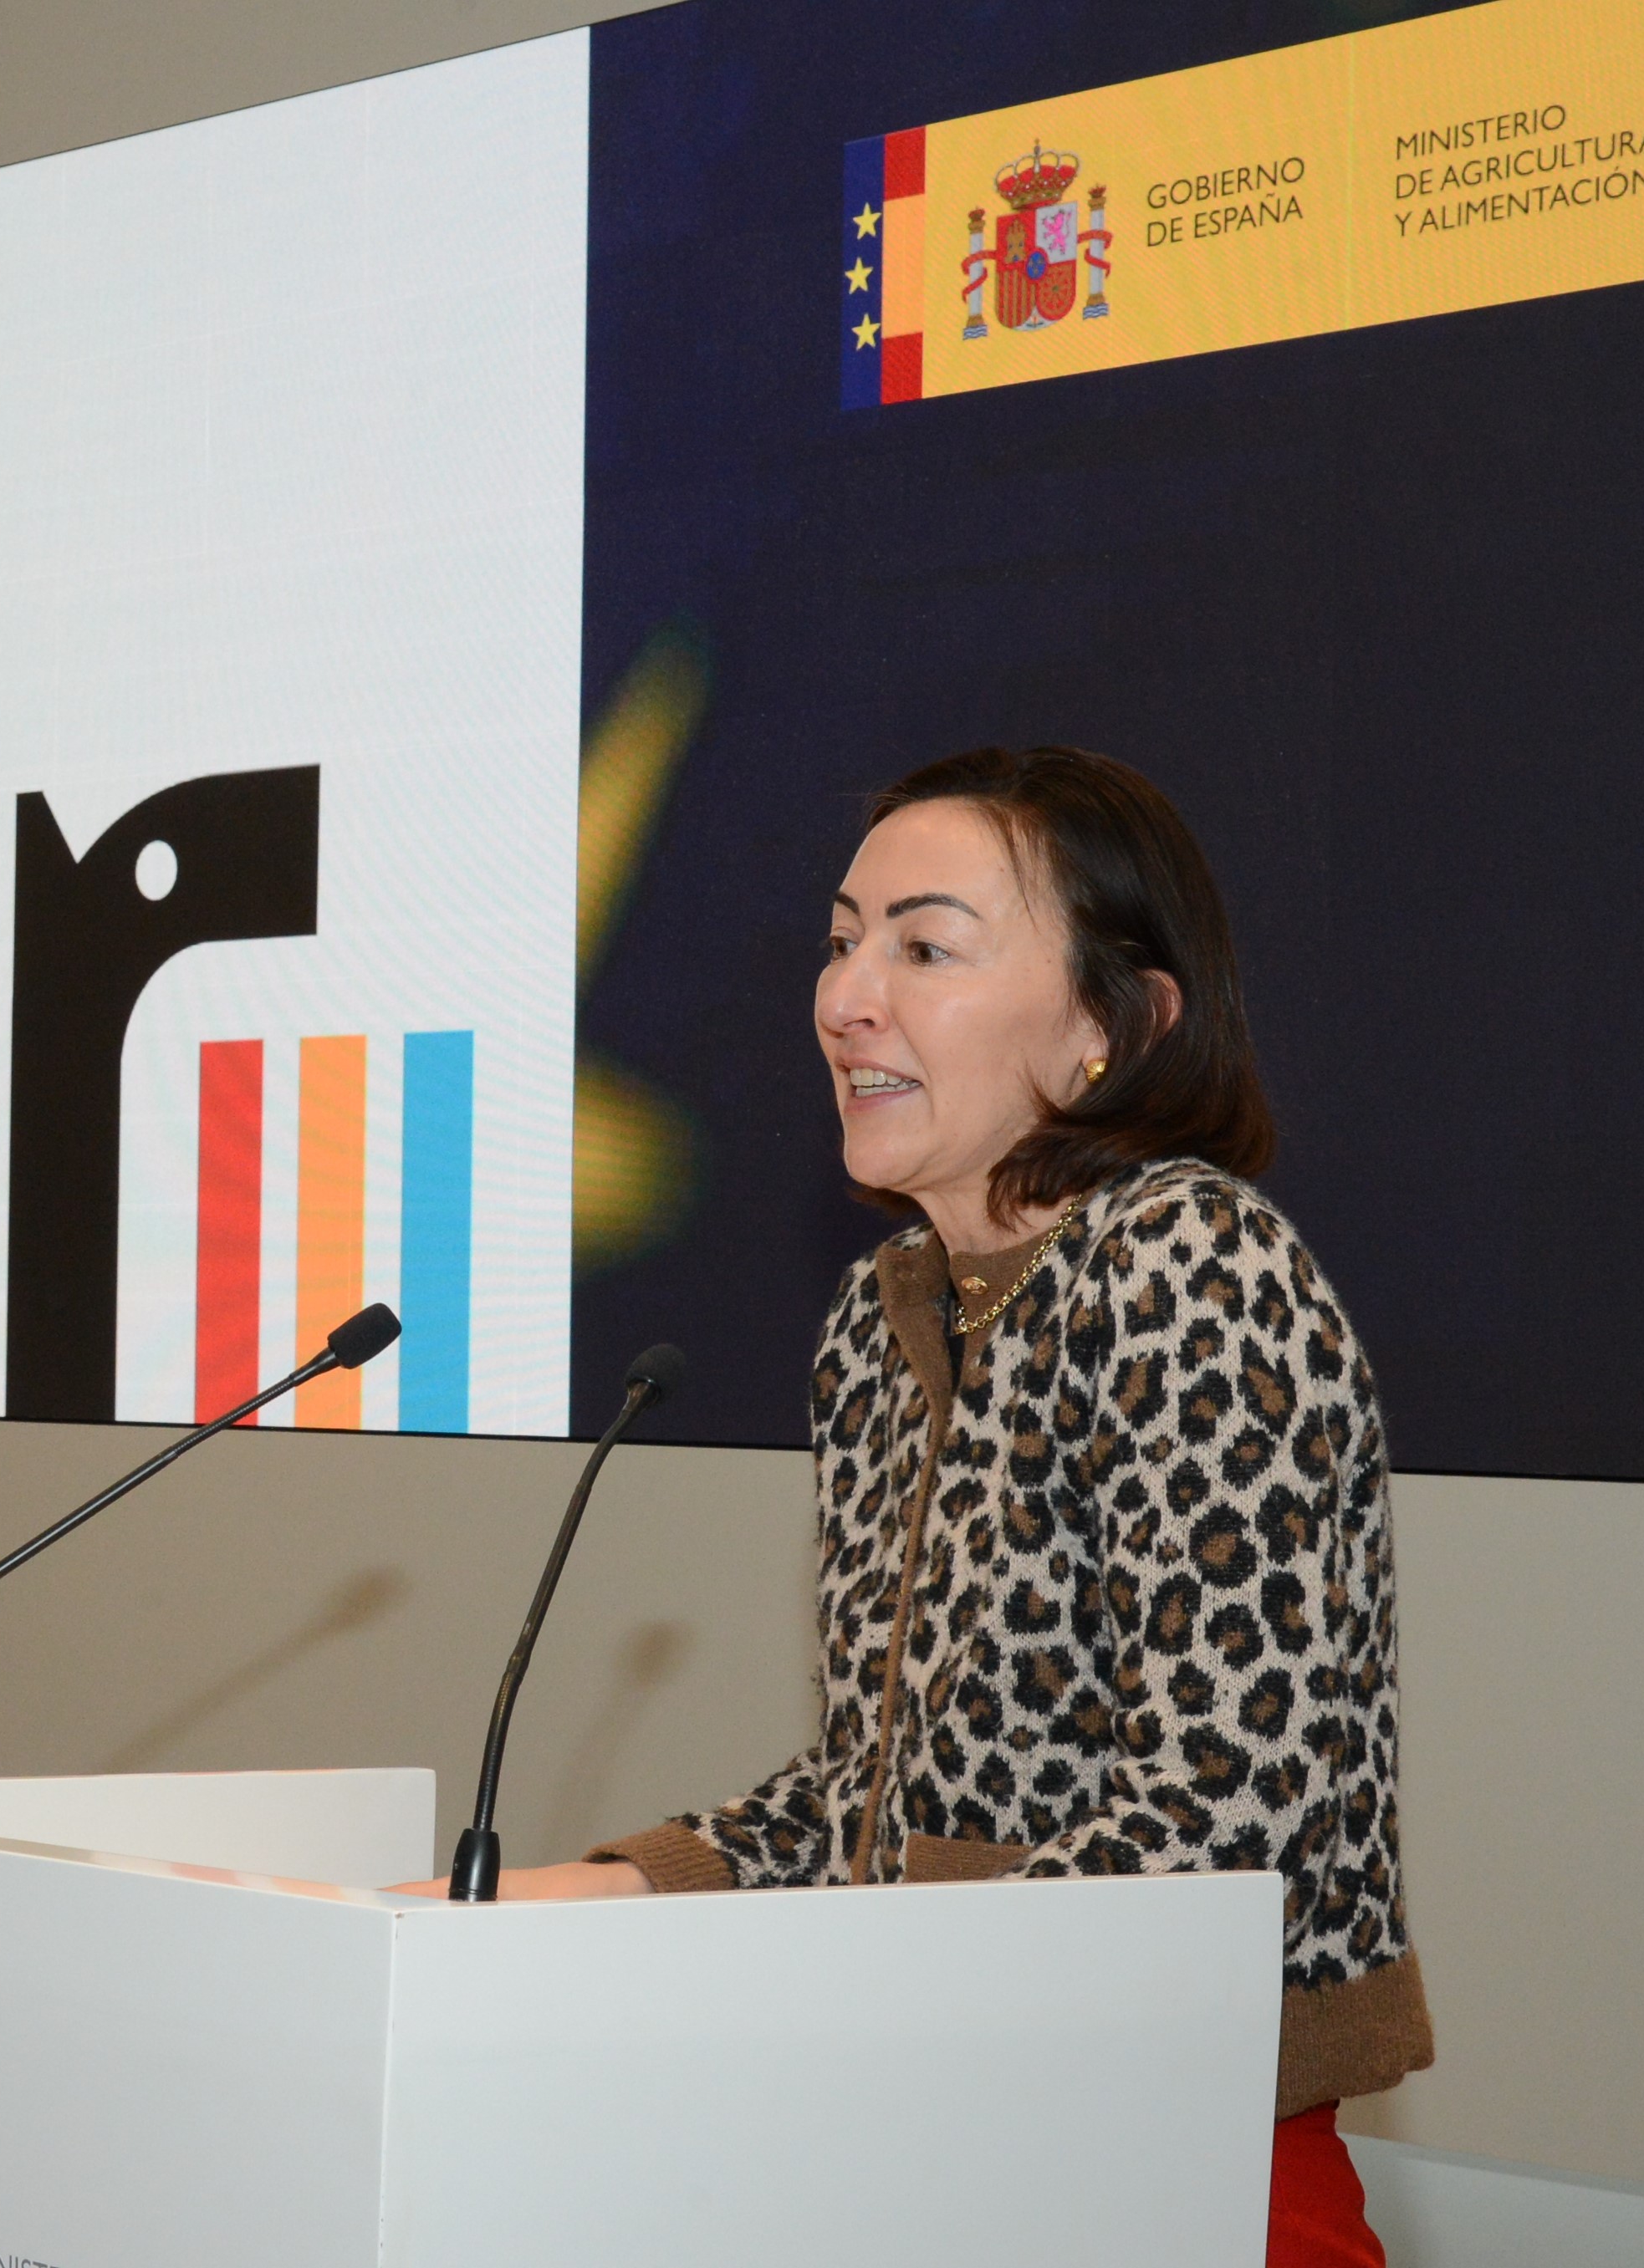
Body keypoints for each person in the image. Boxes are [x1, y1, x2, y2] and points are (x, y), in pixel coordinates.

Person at [417, 746, 1432, 2267]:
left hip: (1172, 2145)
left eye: (925, 947)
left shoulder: (1194, 1271)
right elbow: (873, 1802)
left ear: (1112, 1026)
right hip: (939, 2101)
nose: (846, 997)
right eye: (842, 943)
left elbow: (1222, 1824)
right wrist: (581, 1888)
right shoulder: (886, 1315)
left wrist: (863, 1991)